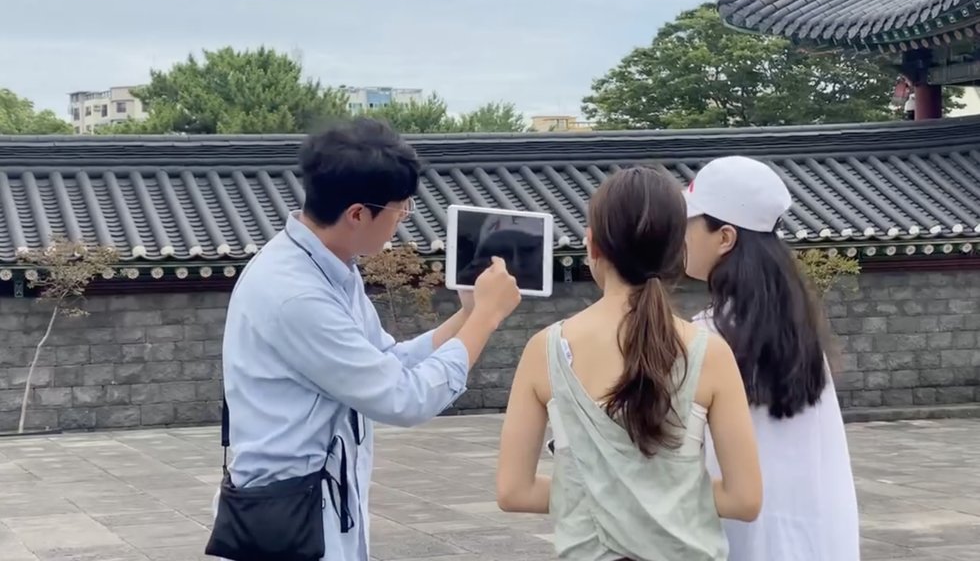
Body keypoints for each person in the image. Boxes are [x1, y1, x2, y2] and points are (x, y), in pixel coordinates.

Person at [214, 118, 522, 561]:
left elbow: (388, 359)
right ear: (358, 214)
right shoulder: (295, 292)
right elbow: (403, 398)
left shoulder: (330, 266)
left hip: (312, 505)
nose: (403, 220)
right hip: (289, 521)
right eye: (400, 210)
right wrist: (486, 319)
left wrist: (469, 314)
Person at [495, 165, 762, 561]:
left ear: (592, 245)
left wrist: (603, 494)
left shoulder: (545, 350)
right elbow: (744, 499)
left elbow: (513, 491)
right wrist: (660, 496)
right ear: (679, 251)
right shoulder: (710, 353)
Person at [683, 155, 860, 561]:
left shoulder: (708, 337)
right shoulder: (798, 328)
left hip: (744, 541)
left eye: (690, 223)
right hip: (819, 542)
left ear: (725, 237)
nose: (682, 236)